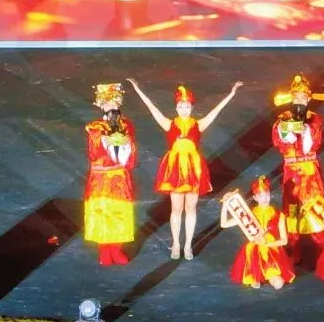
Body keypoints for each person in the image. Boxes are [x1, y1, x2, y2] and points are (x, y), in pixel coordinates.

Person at [128, 78, 243, 260]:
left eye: (187, 106)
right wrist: (137, 88)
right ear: (176, 108)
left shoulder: (199, 124)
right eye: (181, 106)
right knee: (176, 209)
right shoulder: (169, 124)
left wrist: (231, 93)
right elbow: (151, 107)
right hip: (175, 169)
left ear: (191, 108)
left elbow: (216, 111)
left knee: (190, 208)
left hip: (193, 170)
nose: (184, 109)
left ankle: (188, 244)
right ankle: (176, 244)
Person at [272, 73, 324, 262]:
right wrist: (287, 128)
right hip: (292, 173)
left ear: (308, 99)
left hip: (310, 172)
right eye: (296, 97)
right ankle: (292, 247)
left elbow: (312, 144)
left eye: (303, 98)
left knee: (314, 206)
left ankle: (323, 248)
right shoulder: (283, 118)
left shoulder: (315, 119)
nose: (300, 101)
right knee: (292, 209)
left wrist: (304, 129)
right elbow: (281, 140)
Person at [83, 83, 137, 266]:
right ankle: (104, 249)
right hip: (101, 177)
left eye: (114, 102)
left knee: (119, 212)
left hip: (119, 177)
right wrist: (106, 139)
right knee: (102, 212)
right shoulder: (95, 127)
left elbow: (130, 149)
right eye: (107, 103)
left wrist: (124, 141)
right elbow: (94, 153)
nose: (111, 106)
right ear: (101, 105)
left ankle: (116, 248)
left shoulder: (126, 125)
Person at [222, 175, 295, 290]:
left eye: (266, 194)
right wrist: (226, 204)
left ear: (270, 194)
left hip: (271, 251)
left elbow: (284, 241)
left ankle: (266, 275)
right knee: (257, 269)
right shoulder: (249, 214)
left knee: (278, 284)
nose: (264, 199)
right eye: (260, 196)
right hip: (254, 251)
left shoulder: (278, 215)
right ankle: (256, 275)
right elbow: (224, 224)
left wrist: (267, 244)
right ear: (255, 198)